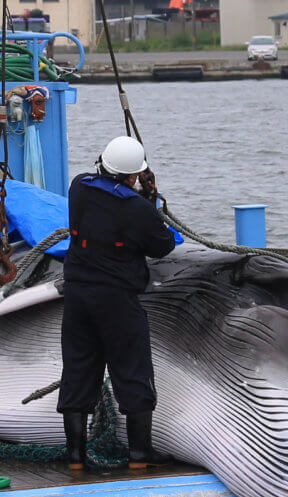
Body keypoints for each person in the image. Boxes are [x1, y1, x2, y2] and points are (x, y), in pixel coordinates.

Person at [59, 136, 177, 471]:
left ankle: (75, 458)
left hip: (78, 297)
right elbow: (163, 246)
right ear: (134, 175)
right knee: (132, 371)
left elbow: (107, 197)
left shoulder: (79, 187)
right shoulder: (138, 209)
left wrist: (139, 195)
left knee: (78, 371)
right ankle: (140, 456)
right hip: (117, 301)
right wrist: (150, 199)